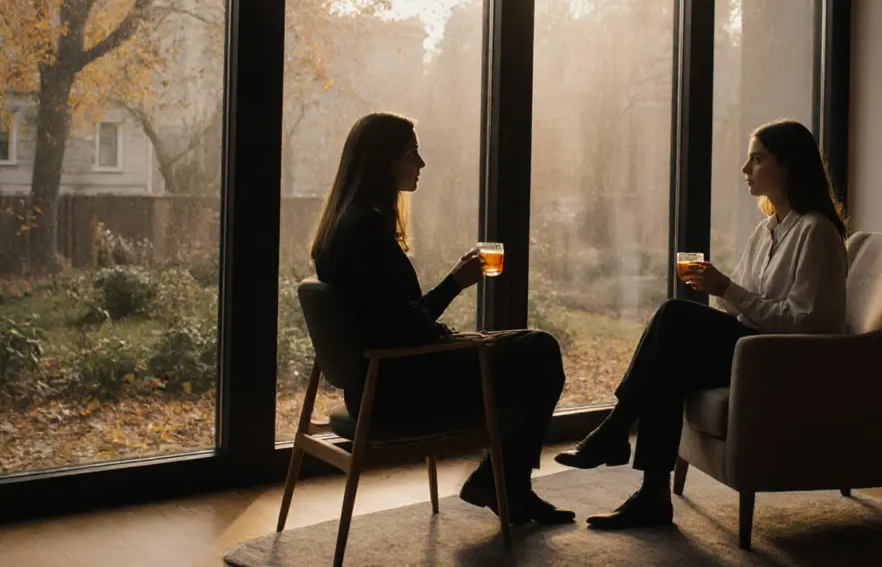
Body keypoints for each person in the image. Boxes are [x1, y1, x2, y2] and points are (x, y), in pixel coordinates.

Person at [554, 119, 849, 530]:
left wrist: (727, 287)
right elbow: (740, 308)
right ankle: (652, 494)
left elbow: (804, 321)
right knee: (669, 355)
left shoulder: (816, 233)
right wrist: (719, 289)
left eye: (757, 160)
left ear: (788, 167)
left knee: (674, 316)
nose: (747, 170)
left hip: (786, 358)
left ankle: (616, 430)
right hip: (751, 351)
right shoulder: (766, 231)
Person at [311, 112, 573, 526]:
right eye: (413, 152)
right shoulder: (365, 231)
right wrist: (455, 285)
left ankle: (502, 481)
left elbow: (391, 320)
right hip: (398, 391)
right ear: (385, 160)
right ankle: (505, 484)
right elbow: (403, 330)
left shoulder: (345, 227)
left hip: (381, 381)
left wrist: (450, 306)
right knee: (540, 350)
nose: (422, 163)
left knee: (526, 352)